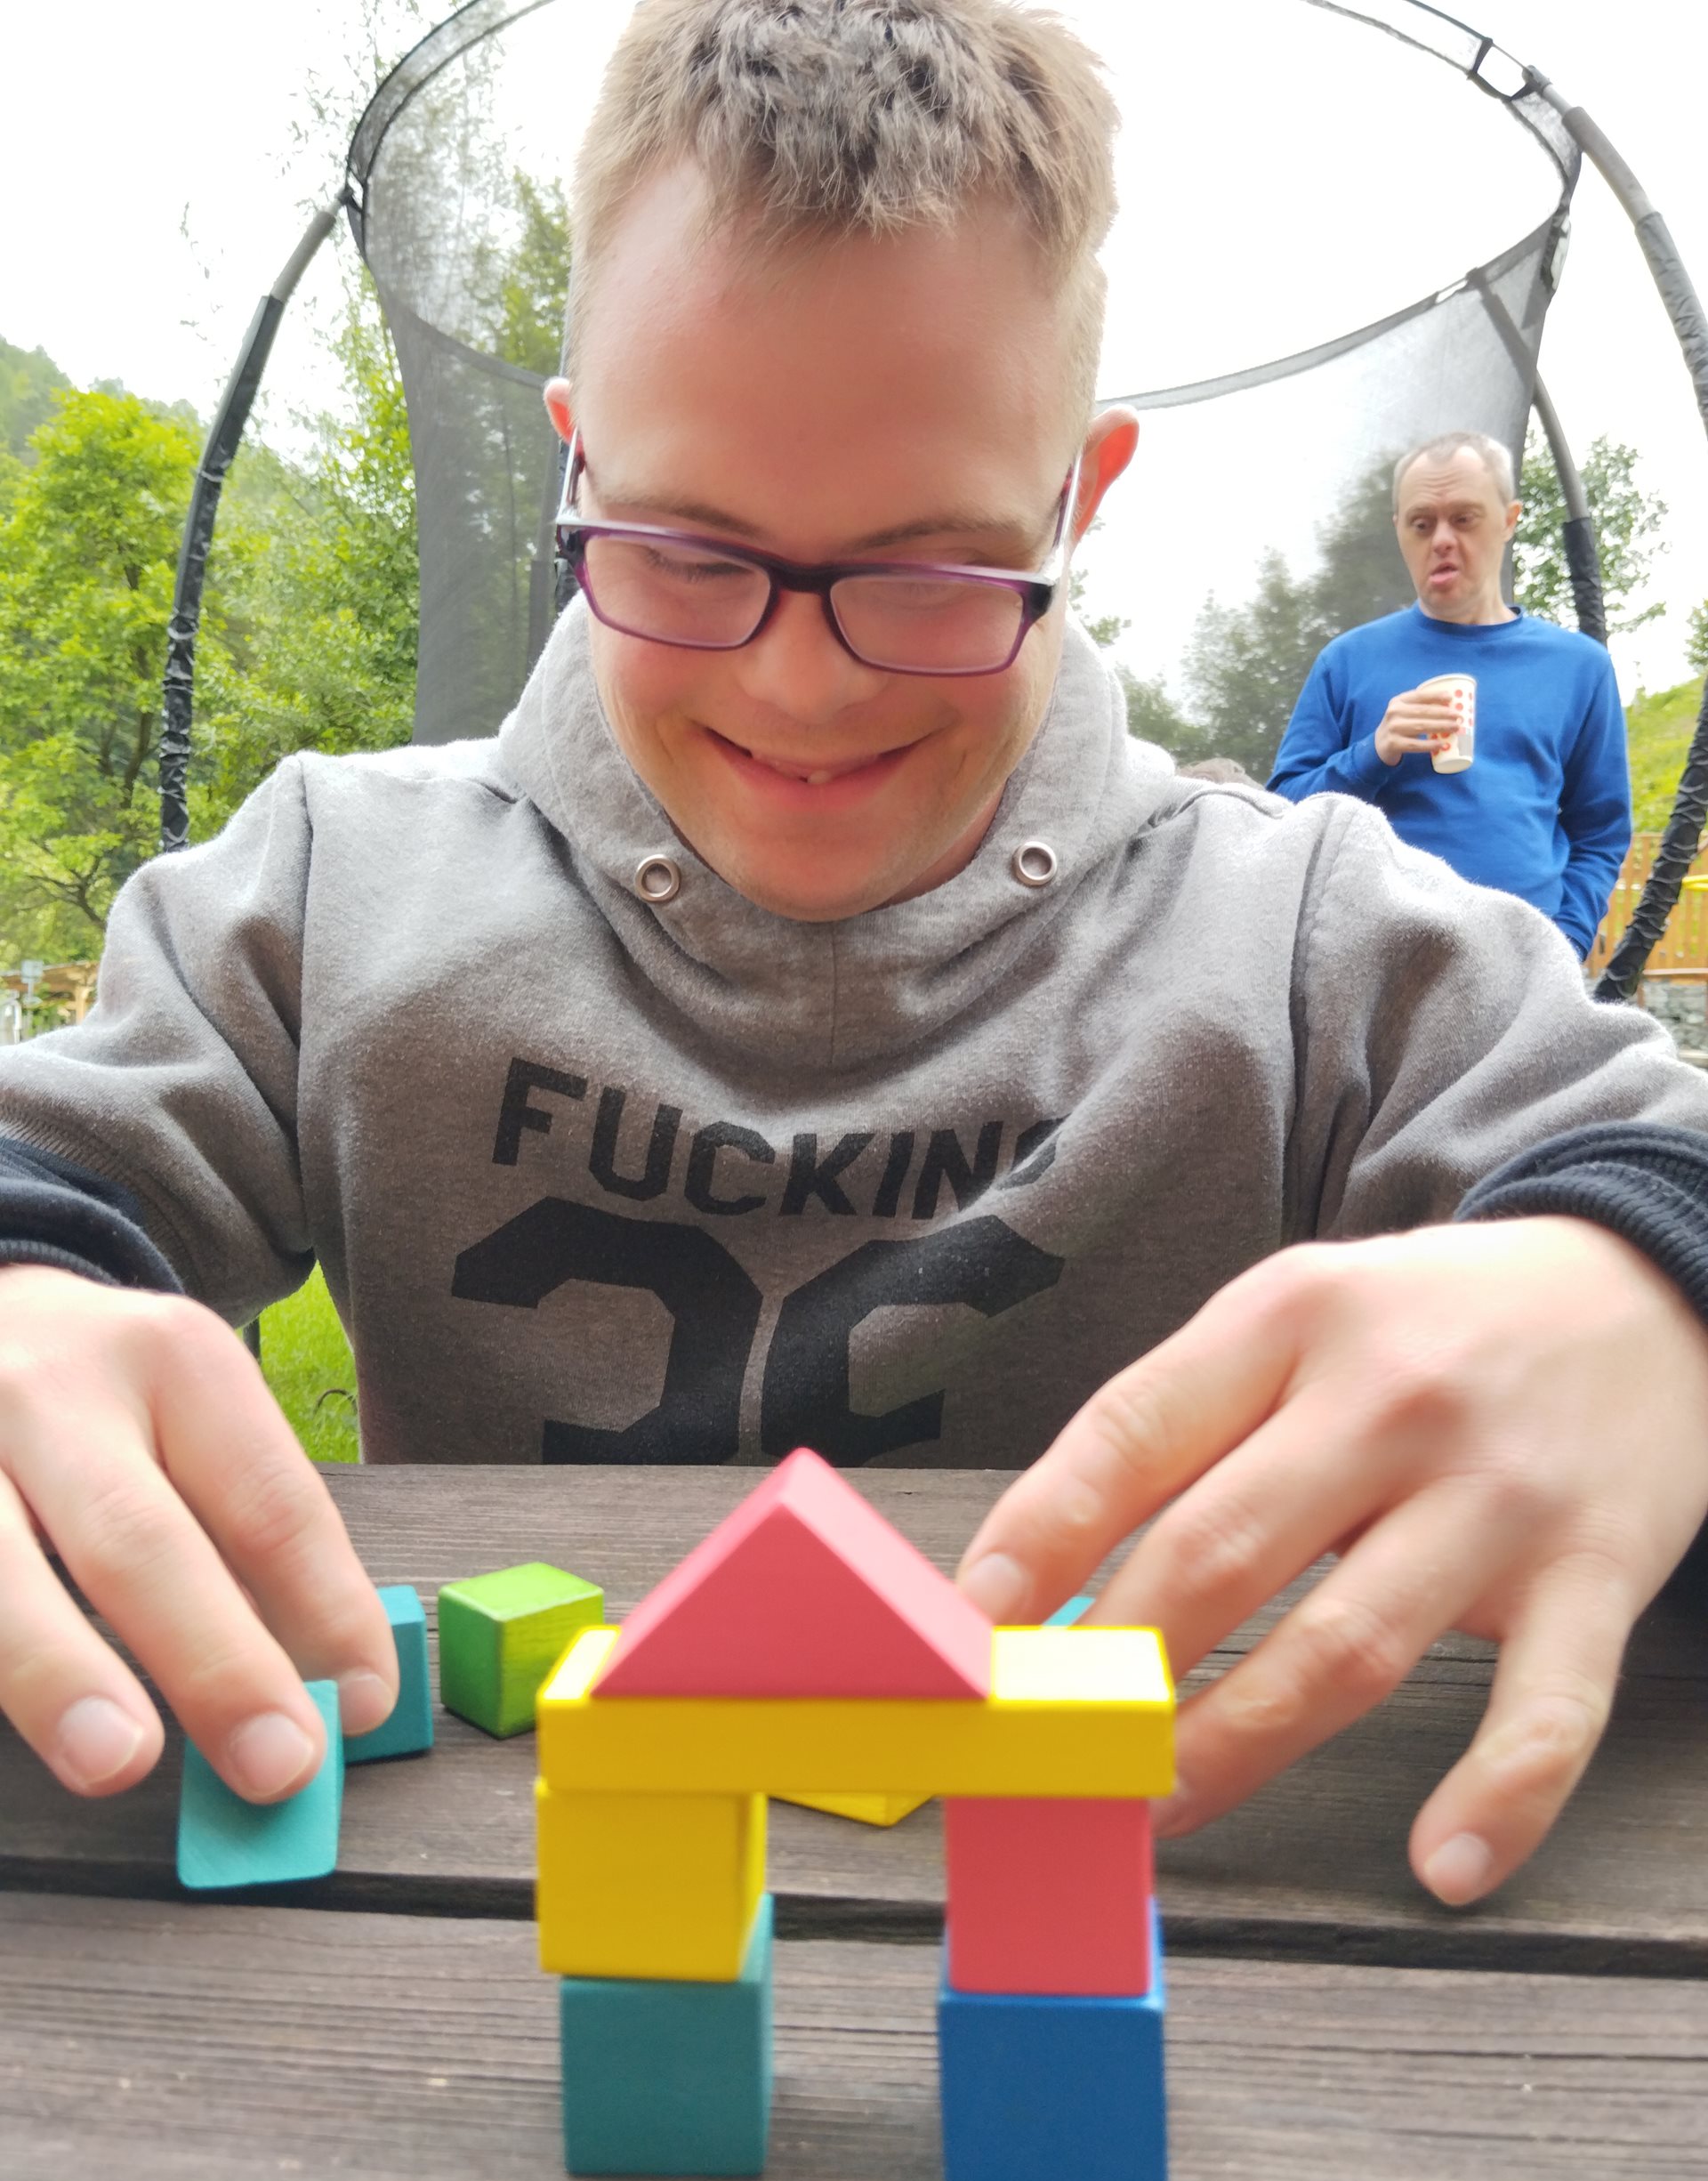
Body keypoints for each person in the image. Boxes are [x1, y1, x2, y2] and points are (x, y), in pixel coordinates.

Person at [4, 0, 1708, 1919]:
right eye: (684, 551)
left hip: (1138, 1929)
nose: (800, 685)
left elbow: (1659, 1167)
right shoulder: (330, 888)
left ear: (1080, 502)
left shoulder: (1307, 942)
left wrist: (1656, 1300)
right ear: (577, 469)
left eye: (930, 570)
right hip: (499, 1937)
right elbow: (51, 1169)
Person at [1267, 431, 1631, 958]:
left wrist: (1565, 945)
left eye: (1464, 518)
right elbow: (1280, 814)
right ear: (1399, 530)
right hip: (1368, 964)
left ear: (1508, 520)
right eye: (1422, 523)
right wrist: (1371, 755)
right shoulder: (1346, 662)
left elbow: (1600, 832)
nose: (1441, 539)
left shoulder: (1579, 667)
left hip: (1522, 965)